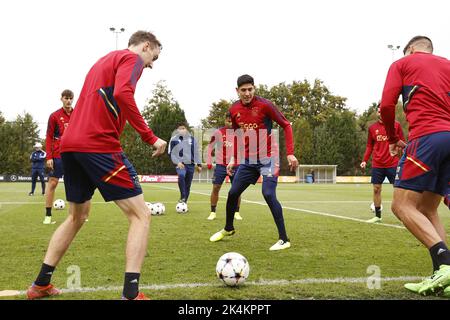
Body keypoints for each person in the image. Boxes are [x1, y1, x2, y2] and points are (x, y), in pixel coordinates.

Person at [26, 30, 167, 300]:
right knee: (141, 215)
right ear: (146, 46)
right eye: (154, 58)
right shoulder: (131, 59)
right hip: (98, 145)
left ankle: (40, 284)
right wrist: (150, 136)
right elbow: (124, 94)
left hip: (71, 146)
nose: (150, 65)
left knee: (76, 216)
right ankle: (131, 293)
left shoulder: (104, 61)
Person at [379, 35, 450, 296]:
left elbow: (386, 105)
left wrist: (394, 137)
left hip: (426, 138)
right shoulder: (448, 65)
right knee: (428, 209)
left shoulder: (402, 64)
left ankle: (445, 265)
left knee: (401, 206)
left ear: (409, 49)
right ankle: (442, 275)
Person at [209, 74, 299, 251]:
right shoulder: (234, 109)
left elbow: (286, 125)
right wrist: (234, 158)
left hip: (269, 159)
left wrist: (290, 153)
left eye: (250, 89)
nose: (247, 93)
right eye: (243, 90)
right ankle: (228, 228)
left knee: (268, 193)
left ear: (254, 88)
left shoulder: (265, 105)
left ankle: (284, 239)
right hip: (248, 161)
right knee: (233, 193)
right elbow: (237, 135)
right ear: (237, 91)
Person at [360, 105, 405, 223]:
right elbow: (369, 146)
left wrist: (403, 155)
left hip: (393, 163)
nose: (380, 113)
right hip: (378, 163)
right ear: (377, 113)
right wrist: (364, 160)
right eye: (379, 111)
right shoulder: (372, 128)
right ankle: (378, 216)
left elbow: (403, 142)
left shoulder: (396, 126)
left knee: (398, 189)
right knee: (376, 189)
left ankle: (403, 215)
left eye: (382, 111)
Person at [43, 89, 74, 224]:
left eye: (70, 98)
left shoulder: (78, 114)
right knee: (53, 183)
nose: (68, 100)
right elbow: (49, 137)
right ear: (61, 99)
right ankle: (48, 216)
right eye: (66, 98)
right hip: (58, 154)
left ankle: (75, 215)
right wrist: (48, 157)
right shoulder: (54, 116)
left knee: (74, 183)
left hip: (74, 154)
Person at [206, 112, 242, 221]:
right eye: (228, 121)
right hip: (221, 164)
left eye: (232, 121)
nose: (230, 123)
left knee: (237, 189)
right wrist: (208, 160)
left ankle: (237, 212)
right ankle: (213, 212)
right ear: (225, 120)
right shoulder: (218, 132)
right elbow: (210, 147)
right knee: (216, 187)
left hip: (235, 165)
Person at [168, 122, 202, 206]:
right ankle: (183, 196)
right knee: (182, 175)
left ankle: (184, 203)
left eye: (183, 128)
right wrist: (178, 162)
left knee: (188, 185)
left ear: (186, 129)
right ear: (177, 130)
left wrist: (199, 164)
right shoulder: (174, 139)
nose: (182, 130)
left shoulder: (192, 139)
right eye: (180, 129)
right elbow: (171, 153)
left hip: (191, 164)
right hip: (180, 164)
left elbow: (196, 152)